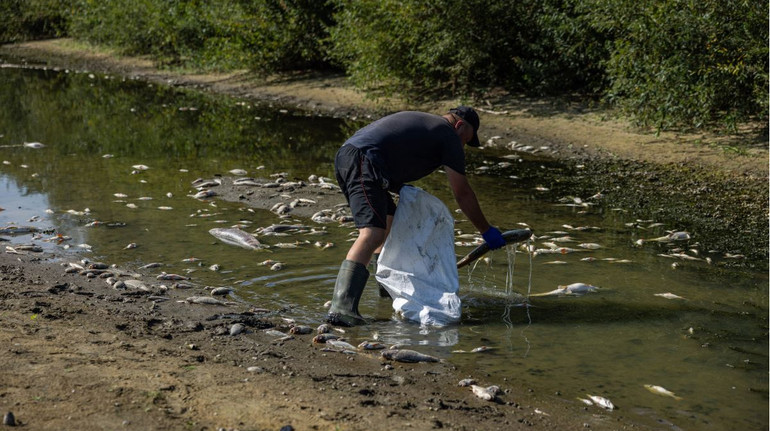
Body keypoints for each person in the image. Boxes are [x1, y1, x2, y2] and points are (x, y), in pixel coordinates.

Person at [327, 106, 506, 326]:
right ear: (459, 125)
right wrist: (485, 230)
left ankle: (387, 291)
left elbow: (393, 151)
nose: (462, 147)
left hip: (354, 157)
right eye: (464, 140)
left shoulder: (429, 125)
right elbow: (462, 193)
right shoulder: (447, 134)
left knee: (388, 223)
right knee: (372, 233)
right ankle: (341, 309)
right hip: (364, 161)